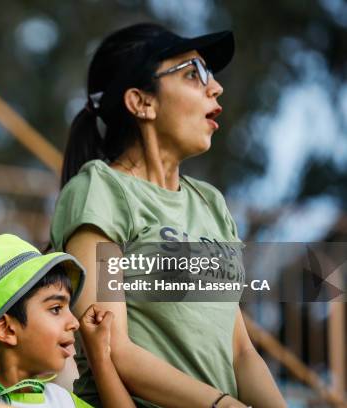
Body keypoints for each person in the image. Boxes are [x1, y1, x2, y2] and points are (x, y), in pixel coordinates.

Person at [50, 23, 286, 407]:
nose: (216, 87)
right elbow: (112, 347)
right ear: (141, 102)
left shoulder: (211, 204)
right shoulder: (103, 193)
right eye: (193, 74)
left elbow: (241, 352)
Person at [0, 234, 135, 407]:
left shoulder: (65, 402)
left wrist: (100, 358)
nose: (75, 323)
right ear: (6, 329)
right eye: (56, 309)